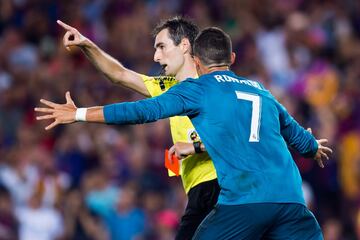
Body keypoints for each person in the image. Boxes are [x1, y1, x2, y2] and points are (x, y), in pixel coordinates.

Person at [36, 27, 332, 239]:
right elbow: (287, 131)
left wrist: (79, 114)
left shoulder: (196, 89)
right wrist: (311, 146)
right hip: (288, 197)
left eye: (162, 46)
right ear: (230, 56)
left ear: (190, 50)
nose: (155, 55)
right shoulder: (259, 90)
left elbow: (140, 112)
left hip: (231, 190)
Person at [57, 17, 219, 239]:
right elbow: (119, 74)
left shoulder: (215, 84)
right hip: (199, 191)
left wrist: (194, 146)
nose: (156, 56)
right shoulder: (167, 87)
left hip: (221, 183)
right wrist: (88, 45)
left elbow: (238, 135)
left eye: (162, 46)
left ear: (184, 45)